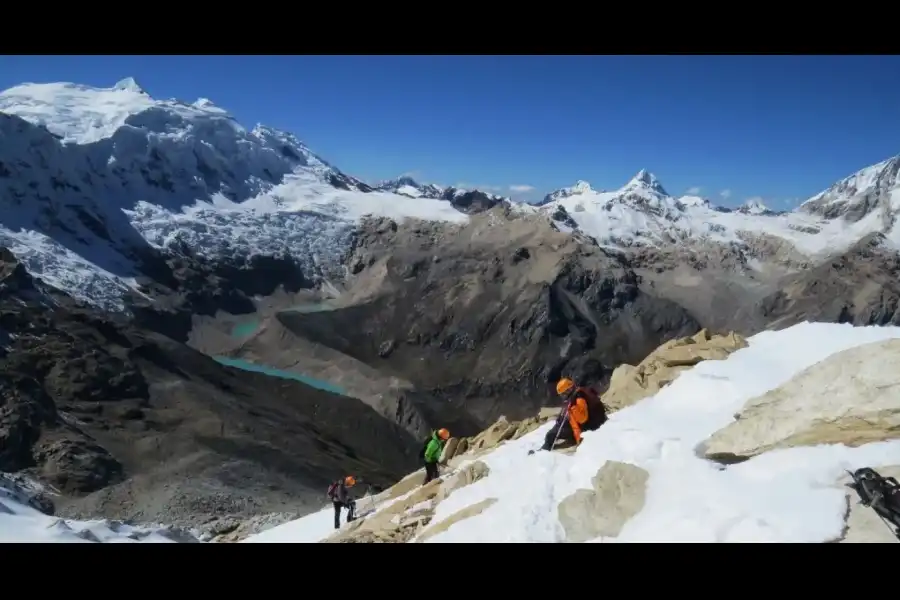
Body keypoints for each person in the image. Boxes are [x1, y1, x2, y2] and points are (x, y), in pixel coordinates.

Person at [539, 378, 592, 452]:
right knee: (550, 434)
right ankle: (544, 448)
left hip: (575, 426)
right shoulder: (573, 397)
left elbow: (582, 419)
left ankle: (544, 452)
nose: (562, 396)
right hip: (570, 422)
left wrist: (573, 407)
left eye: (563, 394)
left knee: (550, 435)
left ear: (568, 390)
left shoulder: (579, 398)